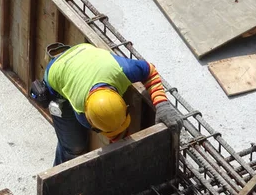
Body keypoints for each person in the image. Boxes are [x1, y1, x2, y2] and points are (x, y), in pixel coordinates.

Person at [43, 43, 183, 166]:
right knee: (74, 146)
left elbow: (150, 71)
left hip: (85, 53)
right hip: (56, 71)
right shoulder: (81, 112)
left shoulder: (121, 70)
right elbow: (114, 133)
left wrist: (162, 104)